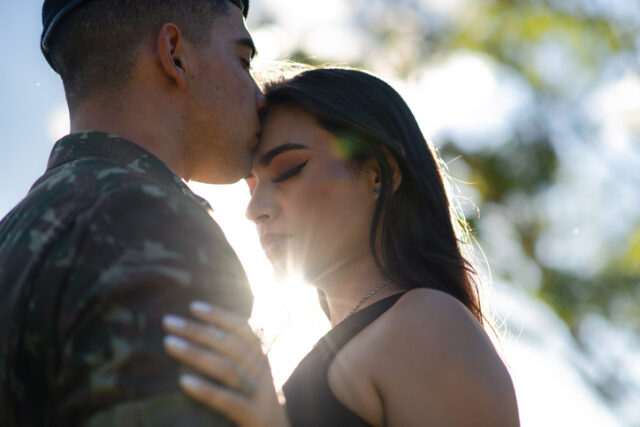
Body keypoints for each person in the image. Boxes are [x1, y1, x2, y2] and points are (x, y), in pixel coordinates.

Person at [162, 67, 521, 426]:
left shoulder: (427, 321)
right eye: (252, 186)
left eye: (289, 170)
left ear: (378, 173)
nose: (255, 210)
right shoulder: (354, 342)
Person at [0, 0, 265, 425]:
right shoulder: (154, 225)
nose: (259, 96)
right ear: (175, 54)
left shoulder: (15, 232)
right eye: (243, 60)